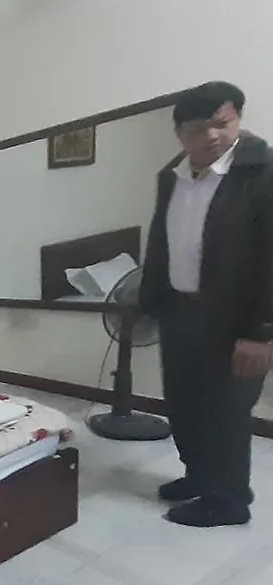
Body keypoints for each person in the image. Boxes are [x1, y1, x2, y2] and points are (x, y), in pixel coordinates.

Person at [139, 81, 273, 527]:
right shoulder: (171, 176)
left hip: (236, 320)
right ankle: (199, 476)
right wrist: (152, 298)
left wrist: (261, 332)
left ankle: (229, 500)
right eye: (199, 128)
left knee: (226, 412)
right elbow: (162, 240)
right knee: (184, 404)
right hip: (179, 310)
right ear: (180, 133)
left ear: (237, 119)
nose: (213, 136)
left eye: (222, 123)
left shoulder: (262, 173)